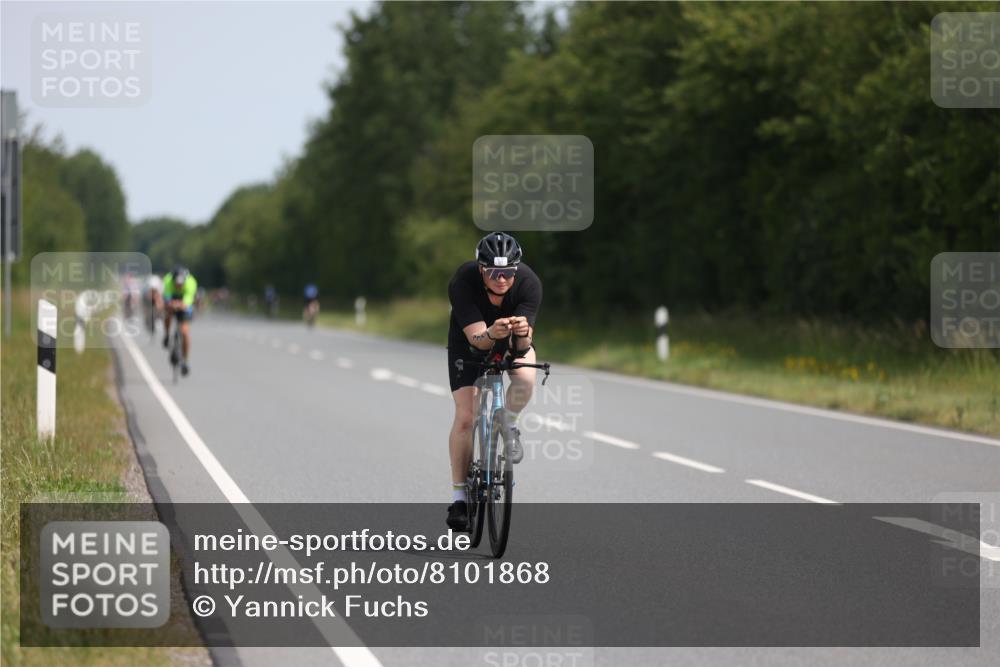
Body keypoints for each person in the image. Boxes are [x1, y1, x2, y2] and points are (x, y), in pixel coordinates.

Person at [445, 232, 542, 531]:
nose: (502, 279)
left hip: (510, 341)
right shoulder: (463, 281)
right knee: (465, 417)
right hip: (471, 342)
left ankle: (508, 422)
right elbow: (477, 340)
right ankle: (460, 497)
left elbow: (523, 348)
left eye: (509, 273)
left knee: (525, 378)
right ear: (481, 269)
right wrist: (492, 333)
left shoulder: (529, 284)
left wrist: (522, 331)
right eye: (495, 273)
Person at [162, 266, 198, 376]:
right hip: (172, 299)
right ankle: (167, 334)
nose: (179, 285)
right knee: (167, 314)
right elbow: (167, 297)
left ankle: (185, 361)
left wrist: (182, 305)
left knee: (185, 332)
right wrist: (170, 304)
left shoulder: (191, 283)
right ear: (173, 280)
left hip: (184, 304)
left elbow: (187, 301)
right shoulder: (168, 281)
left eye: (181, 283)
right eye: (177, 283)